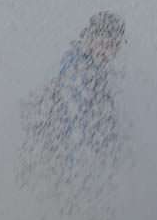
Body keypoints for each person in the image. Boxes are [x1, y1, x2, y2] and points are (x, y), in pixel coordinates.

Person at [19, 11, 127, 208]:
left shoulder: (98, 70)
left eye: (112, 46)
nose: (107, 52)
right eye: (103, 44)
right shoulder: (77, 70)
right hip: (60, 168)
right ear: (91, 39)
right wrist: (77, 183)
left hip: (74, 169)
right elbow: (74, 128)